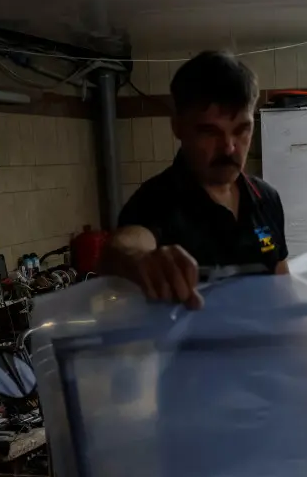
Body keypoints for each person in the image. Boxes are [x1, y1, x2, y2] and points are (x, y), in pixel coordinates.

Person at [103, 51, 288, 309]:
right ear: (177, 126)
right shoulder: (155, 200)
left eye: (241, 130)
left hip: (267, 346)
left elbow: (280, 279)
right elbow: (124, 246)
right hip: (192, 349)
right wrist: (139, 259)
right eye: (210, 132)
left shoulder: (266, 198)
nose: (229, 148)